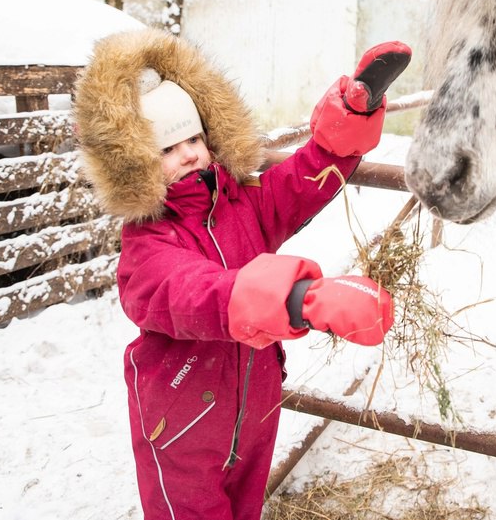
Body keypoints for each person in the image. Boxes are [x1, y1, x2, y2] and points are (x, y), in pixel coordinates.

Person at [73, 27, 409, 520]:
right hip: (184, 426)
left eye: (193, 139)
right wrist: (299, 299)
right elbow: (192, 292)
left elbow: (297, 184)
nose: (188, 154)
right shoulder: (147, 246)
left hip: (255, 409)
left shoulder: (239, 205)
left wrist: (347, 124)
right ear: (134, 166)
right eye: (167, 149)